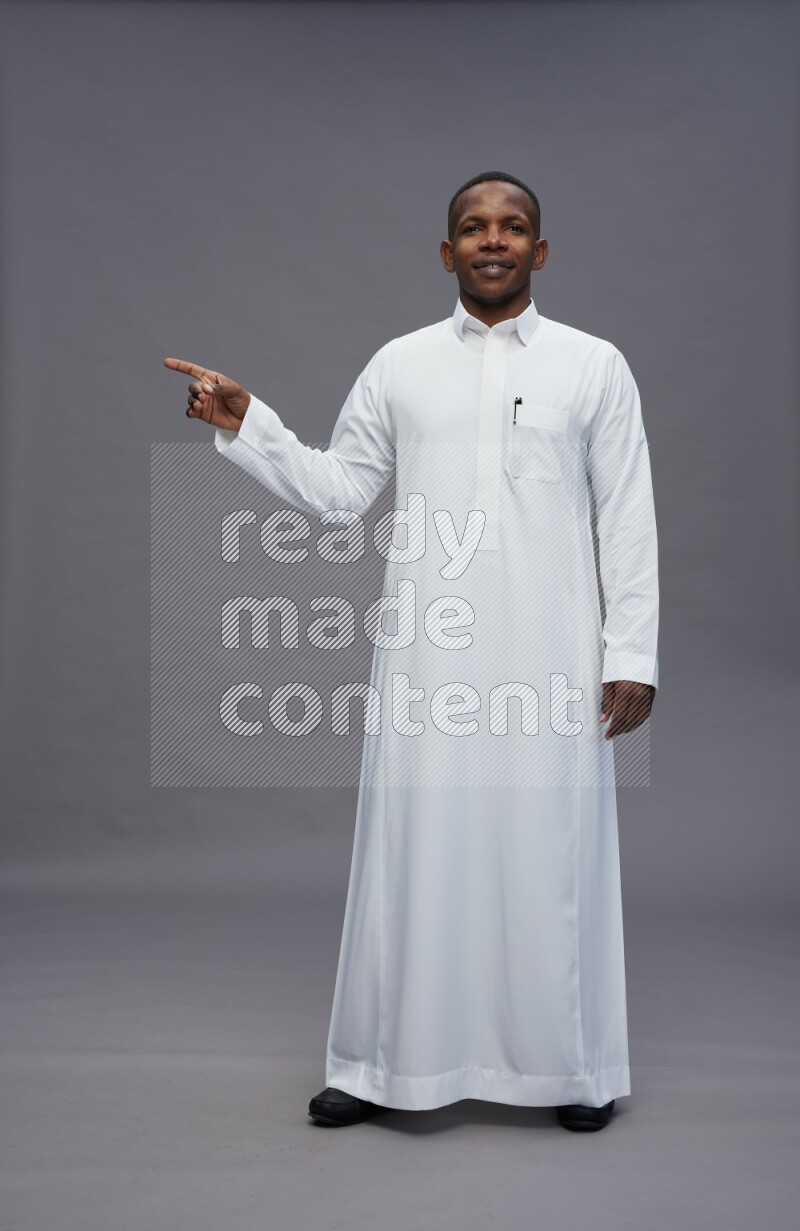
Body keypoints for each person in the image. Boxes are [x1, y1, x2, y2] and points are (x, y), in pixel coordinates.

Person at [164, 171, 659, 1133]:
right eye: (473, 227)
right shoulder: (400, 365)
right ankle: (381, 1062)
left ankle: (573, 1065)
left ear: (540, 252)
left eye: (513, 226)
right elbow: (344, 490)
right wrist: (247, 423)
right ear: (446, 253)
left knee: (552, 854)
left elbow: (627, 517)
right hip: (429, 657)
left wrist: (630, 650)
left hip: (552, 656)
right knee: (411, 850)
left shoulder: (595, 366)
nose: (493, 239)